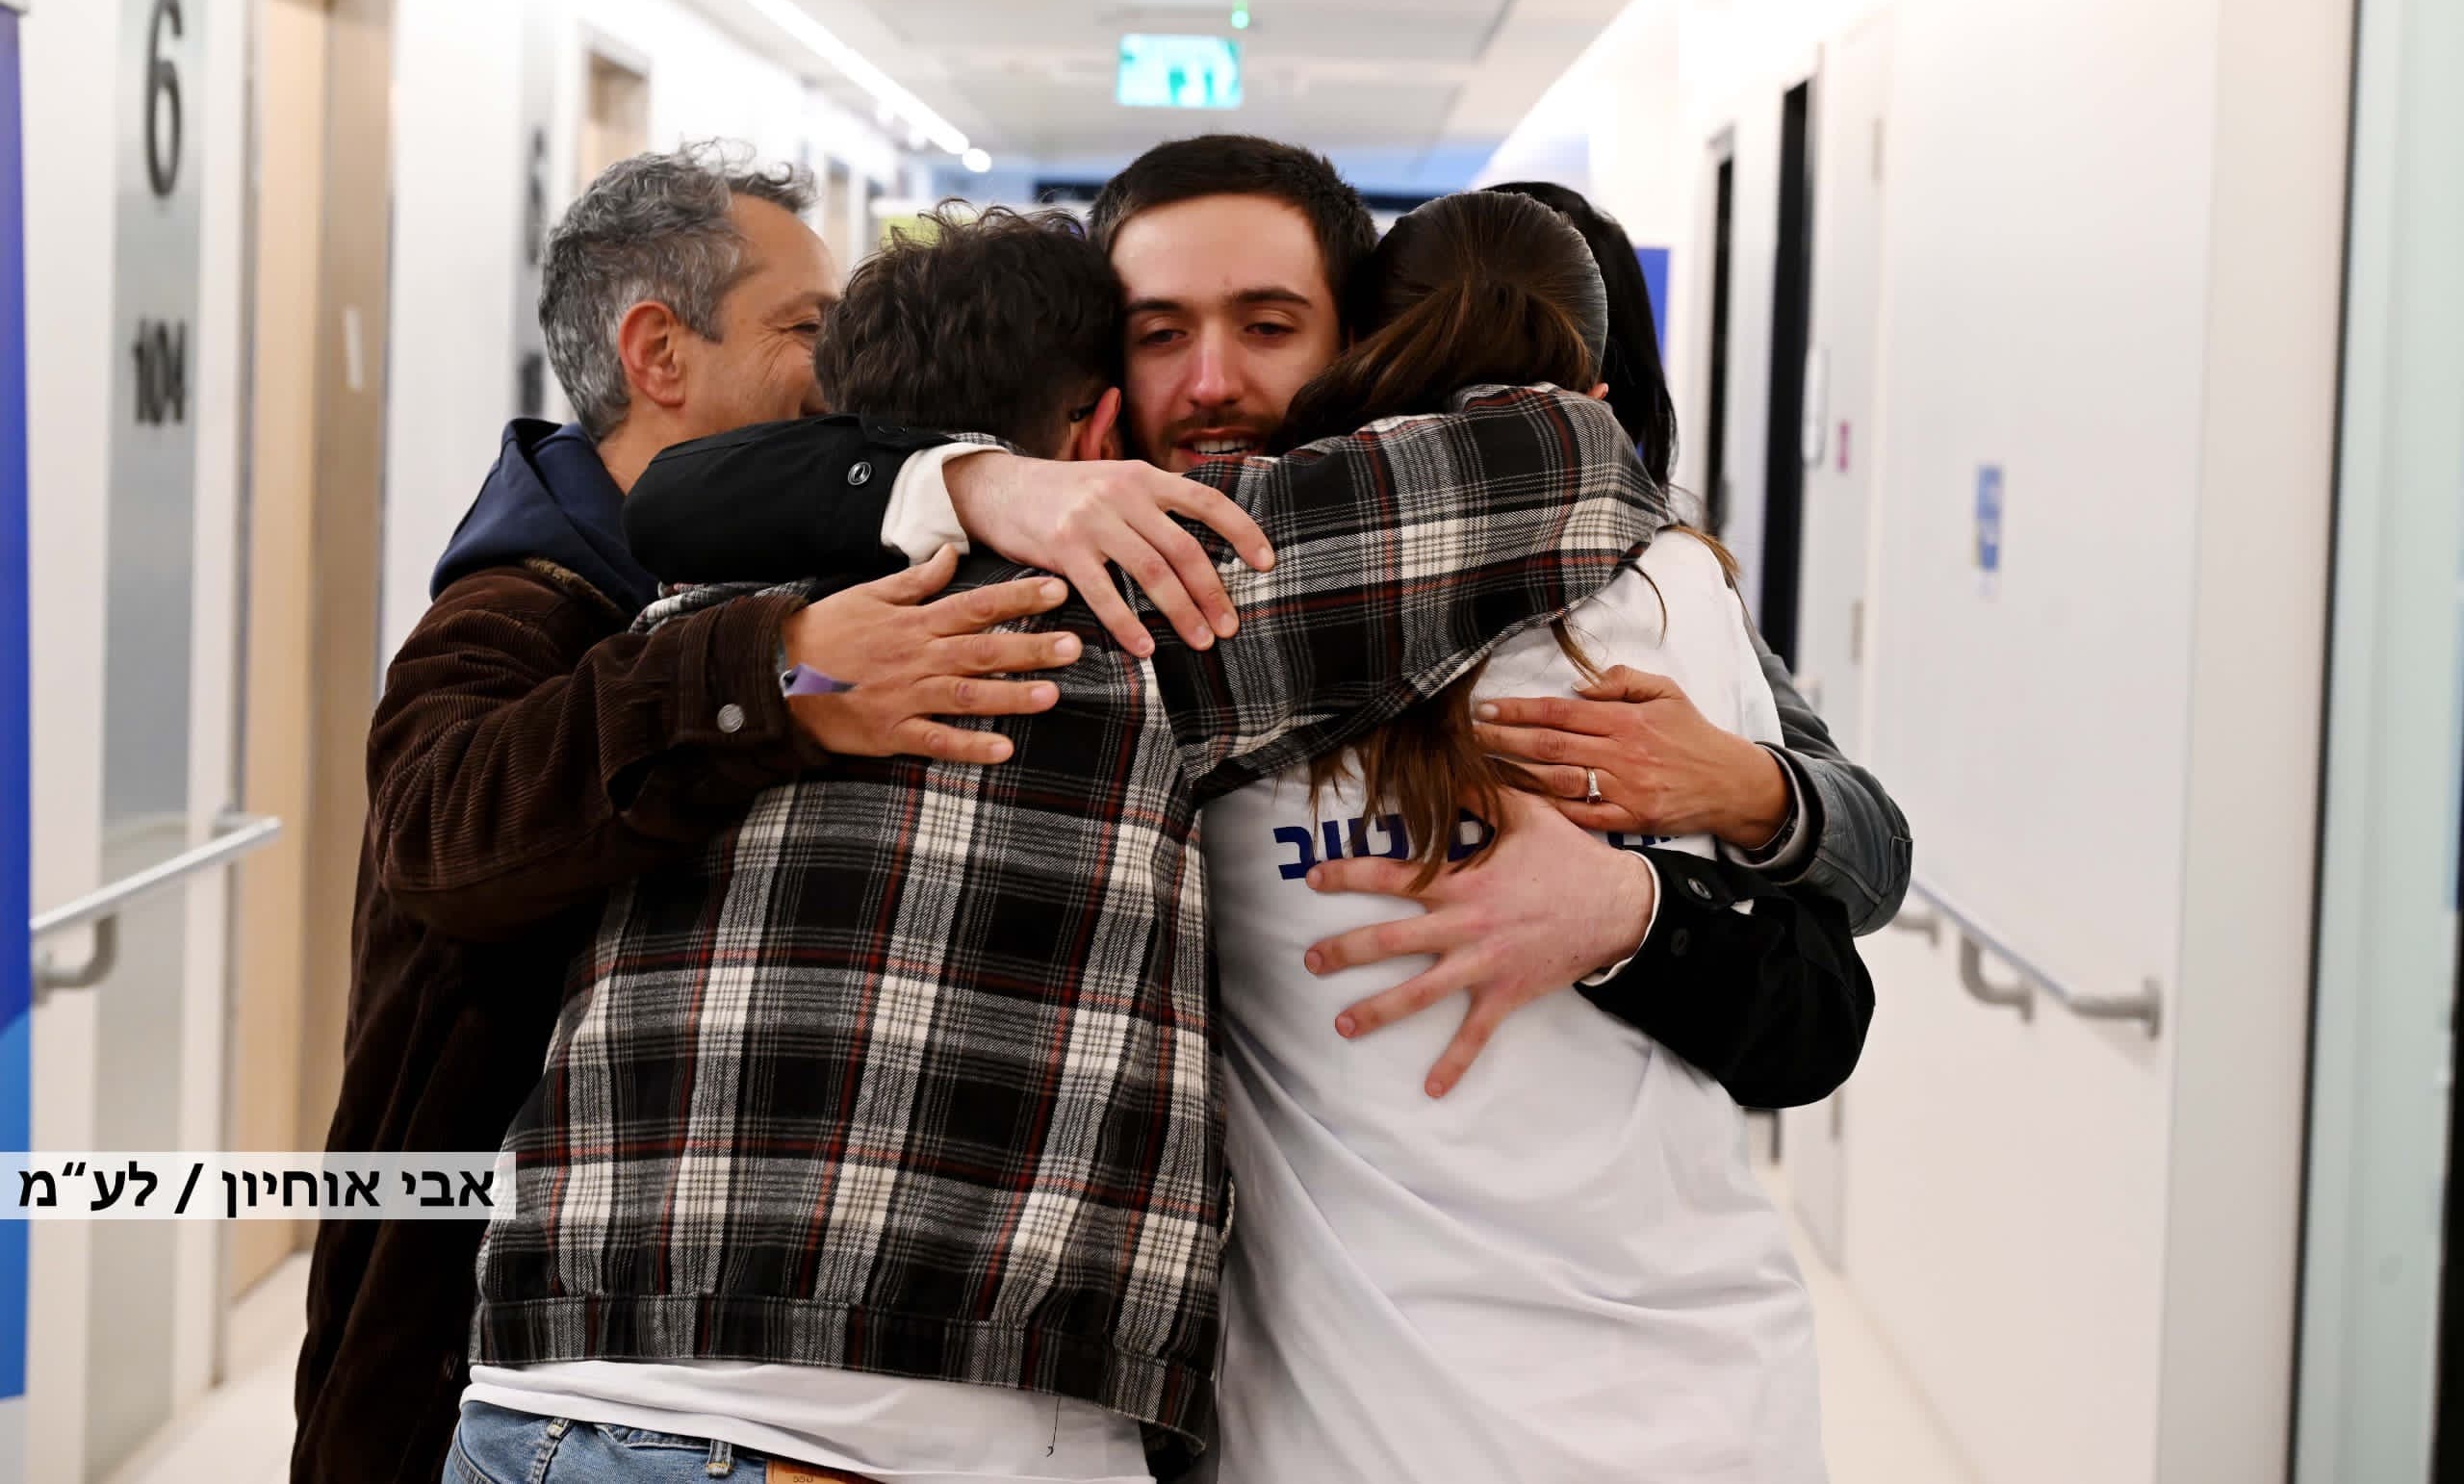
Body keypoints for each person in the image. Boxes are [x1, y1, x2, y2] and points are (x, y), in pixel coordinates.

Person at [449, 205, 1686, 1484]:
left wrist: (947, 480)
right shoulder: (1117, 609)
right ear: (1101, 433)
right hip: (868, 1434)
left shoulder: (682, 627)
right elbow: (1568, 462)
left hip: (536, 1395)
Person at [292, 146, 1256, 1484]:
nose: (841, 370)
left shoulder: (794, 565)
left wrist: (953, 489)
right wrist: (788, 672)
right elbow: (447, 833)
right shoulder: (529, 600)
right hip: (498, 1359)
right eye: (805, 327)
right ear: (658, 351)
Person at [628, 136, 1903, 1101]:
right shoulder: (1037, 594)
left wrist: (1732, 808)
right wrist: (970, 487)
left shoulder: (1583, 572)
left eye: (1270, 324)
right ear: (1098, 372)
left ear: (1361, 342)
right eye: (1161, 331)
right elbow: (678, 503)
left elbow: (1836, 950)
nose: (1216, 378)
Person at [1200, 190, 1839, 1481]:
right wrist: (1646, 899)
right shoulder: (1682, 587)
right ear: (1592, 391)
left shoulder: (1216, 603)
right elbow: (1835, 963)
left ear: (1355, 358)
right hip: (1708, 1401)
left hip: (1361, 1419)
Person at [1459, 178, 1913, 941]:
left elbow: (1877, 858)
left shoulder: (1675, 579)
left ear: (1604, 402)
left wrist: (1741, 785)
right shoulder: (1300, 573)